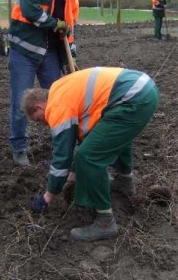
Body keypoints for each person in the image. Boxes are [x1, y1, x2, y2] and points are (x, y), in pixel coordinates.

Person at [23, 67, 159, 241]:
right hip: (143, 89)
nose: (43, 124)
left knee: (89, 158)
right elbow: (87, 140)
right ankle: (125, 182)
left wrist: (48, 196)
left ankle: (105, 223)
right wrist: (71, 178)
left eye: (38, 119)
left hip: (133, 98)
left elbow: (62, 156)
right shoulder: (61, 89)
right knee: (110, 136)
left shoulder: (56, 107)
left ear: (40, 106)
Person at [7, 0, 91, 167]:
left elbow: (69, 30)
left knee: (60, 99)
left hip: (51, 54)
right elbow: (29, 10)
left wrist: (71, 55)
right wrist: (55, 24)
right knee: (20, 100)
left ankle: (65, 143)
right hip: (24, 52)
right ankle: (19, 148)